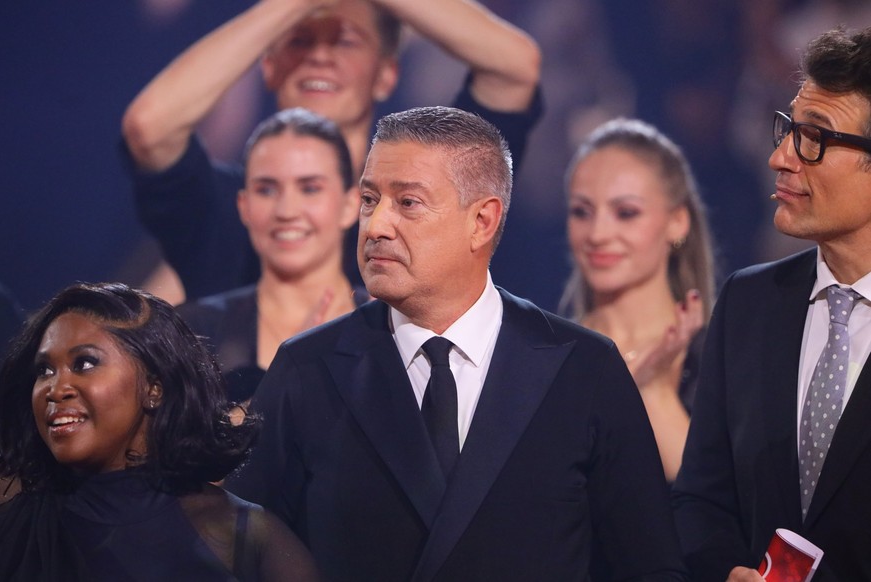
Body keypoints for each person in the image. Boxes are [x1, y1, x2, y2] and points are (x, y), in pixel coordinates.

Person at [226, 106, 687, 581]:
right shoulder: (308, 369)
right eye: (369, 199)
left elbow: (650, 569)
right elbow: (239, 558)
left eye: (408, 203)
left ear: (482, 221)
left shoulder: (583, 370)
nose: (376, 225)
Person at [121, 0, 542, 301]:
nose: (320, 56)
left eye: (345, 40)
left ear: (386, 74)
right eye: (300, 40)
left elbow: (514, 68)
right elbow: (149, 127)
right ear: (268, 66)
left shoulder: (429, 190)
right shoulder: (232, 207)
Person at [672, 26, 871, 582]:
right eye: (787, 130)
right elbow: (701, 500)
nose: (780, 157)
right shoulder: (749, 301)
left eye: (814, 138)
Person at [0, 282, 321, 581]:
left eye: (84, 363)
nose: (56, 388)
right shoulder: (12, 533)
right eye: (45, 370)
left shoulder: (244, 535)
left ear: (154, 387)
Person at [560, 118, 717, 481]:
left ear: (677, 222)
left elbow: (712, 504)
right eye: (581, 211)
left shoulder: (716, 360)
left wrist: (654, 390)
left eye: (626, 213)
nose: (598, 234)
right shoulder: (547, 351)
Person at [177, 108, 367, 406]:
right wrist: (287, 377)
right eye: (266, 190)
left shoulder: (392, 327)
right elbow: (182, 449)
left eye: (310, 188)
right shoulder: (193, 333)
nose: (286, 211)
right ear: (244, 206)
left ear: (350, 205)